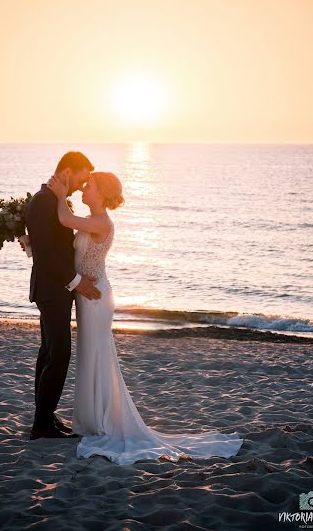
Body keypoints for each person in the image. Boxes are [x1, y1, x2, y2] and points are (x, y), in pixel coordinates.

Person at [47, 171, 244, 464]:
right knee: (91, 355)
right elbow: (67, 230)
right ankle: (92, 419)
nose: (84, 189)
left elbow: (64, 219)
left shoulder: (101, 222)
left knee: (97, 354)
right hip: (87, 296)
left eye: (90, 186)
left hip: (96, 298)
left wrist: (60, 195)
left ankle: (100, 422)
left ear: (101, 194)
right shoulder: (92, 219)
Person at [25, 151, 101, 441]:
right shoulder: (43, 201)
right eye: (83, 176)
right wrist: (76, 281)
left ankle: (45, 418)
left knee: (48, 354)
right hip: (53, 290)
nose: (84, 184)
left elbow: (49, 246)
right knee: (59, 355)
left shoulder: (50, 200)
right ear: (69, 171)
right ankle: (41, 425)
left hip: (54, 290)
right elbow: (46, 256)